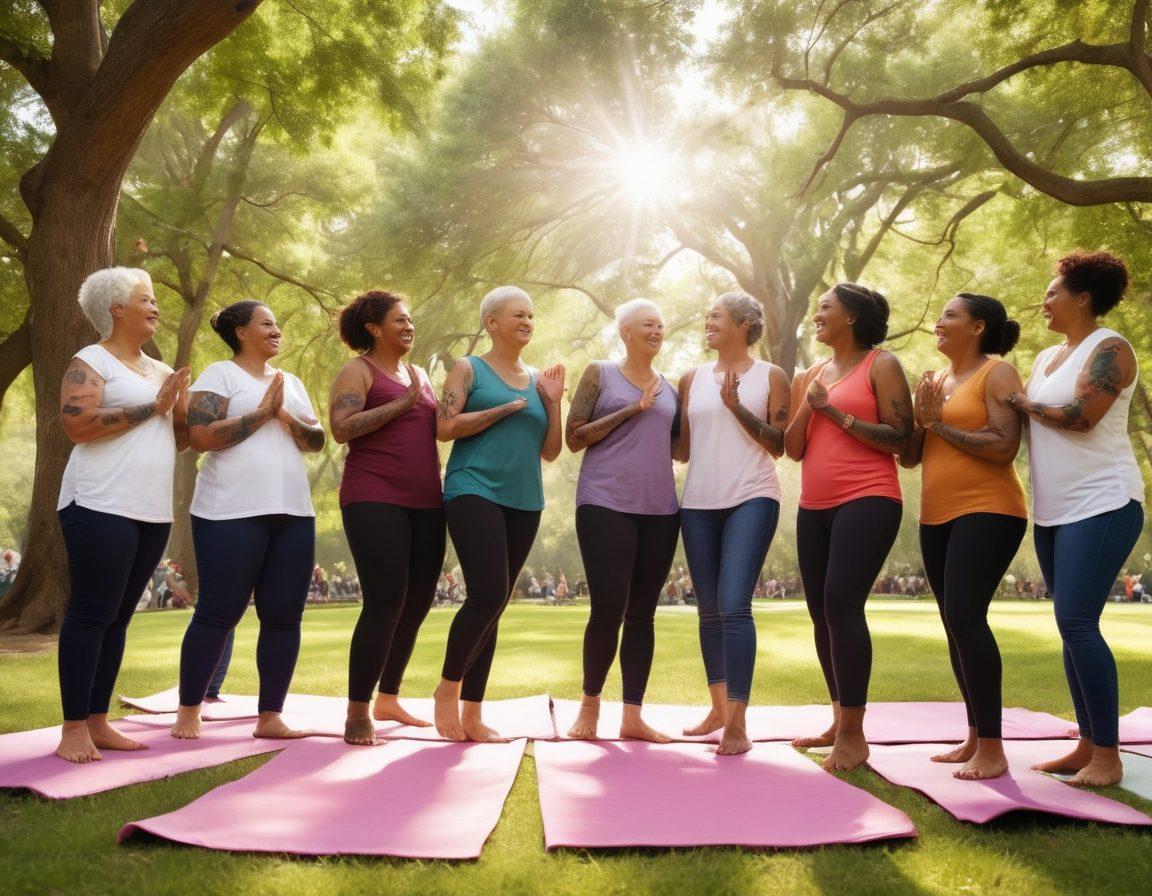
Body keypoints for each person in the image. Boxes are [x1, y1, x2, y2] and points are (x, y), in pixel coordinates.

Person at [1005, 250, 1145, 786]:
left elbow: (1083, 418)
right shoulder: (1045, 359)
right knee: (1070, 628)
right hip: (1055, 511)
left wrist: (1021, 404)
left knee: (1078, 623)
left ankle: (1108, 756)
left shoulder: (1110, 348)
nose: (1044, 301)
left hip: (1104, 502)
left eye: (1052, 292)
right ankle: (1086, 743)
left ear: (1082, 297)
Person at [170, 300, 324, 741]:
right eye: (267, 323)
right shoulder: (220, 375)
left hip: (292, 512)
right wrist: (260, 413)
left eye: (278, 323)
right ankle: (188, 711)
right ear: (241, 332)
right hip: (229, 511)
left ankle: (270, 715)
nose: (277, 330)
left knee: (284, 616)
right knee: (219, 612)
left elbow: (315, 441)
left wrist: (284, 414)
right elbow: (199, 437)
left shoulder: (289, 382)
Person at [54, 267, 190, 762]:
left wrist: (178, 413)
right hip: (97, 502)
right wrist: (153, 408)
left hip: (149, 509)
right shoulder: (90, 361)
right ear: (116, 308)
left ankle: (98, 721)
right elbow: (78, 425)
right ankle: (72, 728)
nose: (155, 306)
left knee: (117, 619)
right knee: (92, 612)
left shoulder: (160, 369)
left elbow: (175, 437)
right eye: (145, 299)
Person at [900, 293, 1028, 780]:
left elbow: (1003, 445)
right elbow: (911, 456)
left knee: (965, 617)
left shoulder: (996, 373)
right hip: (936, 515)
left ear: (977, 328)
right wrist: (918, 419)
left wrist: (938, 426)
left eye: (950, 315)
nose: (939, 321)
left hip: (990, 508)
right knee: (954, 623)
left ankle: (993, 749)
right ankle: (975, 737)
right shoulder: (933, 380)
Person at [784, 282, 912, 772]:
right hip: (813, 504)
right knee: (820, 612)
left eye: (825, 307)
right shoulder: (814, 373)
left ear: (853, 317)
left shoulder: (880, 364)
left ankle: (856, 735)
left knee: (841, 604)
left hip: (869, 497)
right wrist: (808, 402)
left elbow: (901, 438)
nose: (817, 314)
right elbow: (794, 449)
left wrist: (833, 411)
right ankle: (839, 719)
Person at [432, 285, 564, 741]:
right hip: (473, 488)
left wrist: (552, 401)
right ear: (491, 322)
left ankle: (473, 713)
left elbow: (550, 452)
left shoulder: (537, 380)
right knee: (487, 594)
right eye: (517, 315)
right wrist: (506, 408)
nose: (527, 322)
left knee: (497, 604)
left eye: (531, 315)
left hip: (525, 499)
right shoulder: (470, 369)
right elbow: (444, 428)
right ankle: (447, 690)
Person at [329, 290, 445, 746]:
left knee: (417, 602)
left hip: (427, 500)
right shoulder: (358, 369)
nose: (409, 326)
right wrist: (404, 402)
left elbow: (437, 427)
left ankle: (389, 697)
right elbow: (341, 427)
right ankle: (358, 711)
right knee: (384, 602)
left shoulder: (418, 375)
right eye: (400, 319)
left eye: (411, 319)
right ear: (375, 328)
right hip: (374, 495)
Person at [675, 291, 789, 755]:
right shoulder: (690, 378)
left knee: (733, 605)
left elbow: (779, 443)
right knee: (707, 610)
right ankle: (718, 709)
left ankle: (738, 724)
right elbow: (681, 449)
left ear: (744, 325)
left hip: (751, 497)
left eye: (716, 317)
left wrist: (737, 405)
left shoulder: (771, 376)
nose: (708, 323)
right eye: (706, 316)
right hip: (698, 503)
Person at [564, 299, 681, 743]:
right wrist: (632, 409)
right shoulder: (600, 372)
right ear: (626, 332)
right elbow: (575, 438)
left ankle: (633, 715)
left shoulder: (671, 388)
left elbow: (676, 448)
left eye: (661, 324)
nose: (657, 330)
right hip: (604, 503)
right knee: (607, 607)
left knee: (643, 614)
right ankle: (590, 706)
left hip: (661, 511)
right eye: (648, 324)